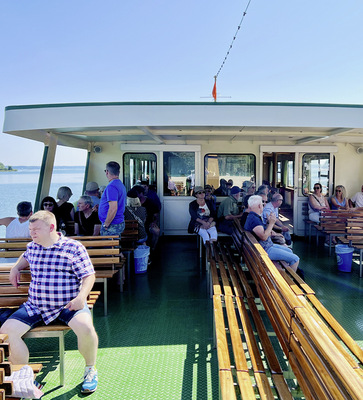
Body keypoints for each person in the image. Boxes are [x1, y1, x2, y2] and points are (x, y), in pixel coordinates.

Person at [0, 211, 99, 393]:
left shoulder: (73, 248)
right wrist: (15, 268)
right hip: (36, 306)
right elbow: (25, 256)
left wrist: (81, 297)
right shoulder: (33, 247)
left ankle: (90, 370)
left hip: (68, 305)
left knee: (86, 328)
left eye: (36, 229)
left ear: (51, 227)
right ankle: (26, 378)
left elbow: (88, 275)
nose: (32, 233)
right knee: (6, 332)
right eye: (30, 229)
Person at [244, 195, 300, 272]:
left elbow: (263, 234)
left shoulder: (253, 216)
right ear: (260, 206)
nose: (264, 205)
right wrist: (271, 223)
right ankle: (289, 281)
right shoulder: (254, 219)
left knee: (289, 251)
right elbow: (263, 237)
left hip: (266, 246)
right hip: (265, 250)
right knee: (295, 259)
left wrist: (269, 224)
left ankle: (285, 273)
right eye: (263, 204)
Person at [99, 161, 127, 236]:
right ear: (119, 172)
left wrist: (106, 225)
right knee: (114, 247)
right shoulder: (120, 184)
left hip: (112, 224)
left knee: (109, 247)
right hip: (117, 223)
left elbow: (113, 208)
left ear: (107, 172)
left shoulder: (111, 187)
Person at [128, 186, 160, 251]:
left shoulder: (151, 203)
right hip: (135, 225)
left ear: (141, 193)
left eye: (137, 193)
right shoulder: (131, 203)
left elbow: (156, 215)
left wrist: (154, 222)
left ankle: (152, 248)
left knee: (156, 231)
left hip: (148, 224)